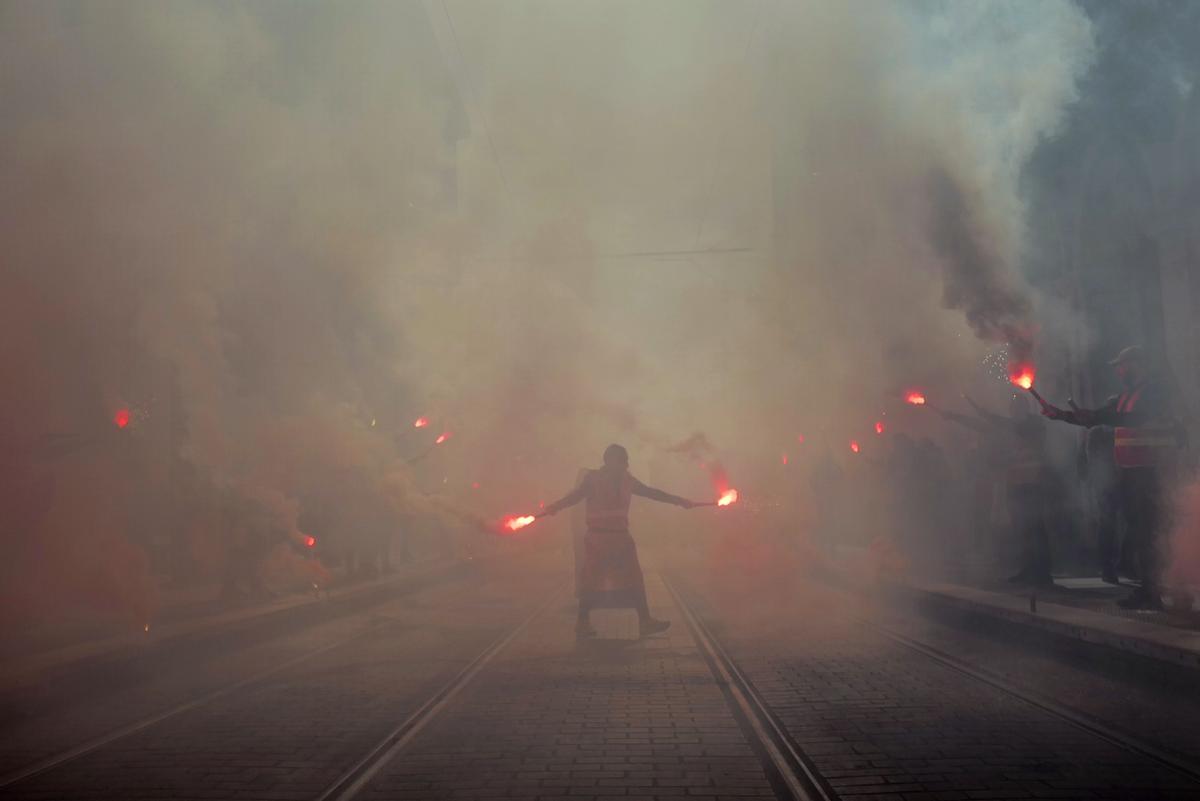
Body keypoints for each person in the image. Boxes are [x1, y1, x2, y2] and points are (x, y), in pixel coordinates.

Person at [1040, 346, 1179, 610]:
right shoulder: (1125, 396)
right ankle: (1150, 587)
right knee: (1140, 531)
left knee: (1150, 530)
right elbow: (1098, 417)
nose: (1118, 370)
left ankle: (1156, 588)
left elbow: (1136, 418)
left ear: (1137, 364)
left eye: (1122, 365)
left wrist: (1095, 416)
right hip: (1131, 470)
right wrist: (1061, 414)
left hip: (1153, 470)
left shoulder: (1155, 390)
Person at [539, 444, 702, 639]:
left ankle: (645, 621)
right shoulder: (592, 479)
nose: (626, 464)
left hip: (621, 537)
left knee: (634, 577)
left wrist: (679, 500)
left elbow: (652, 493)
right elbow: (574, 497)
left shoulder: (627, 480)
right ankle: (583, 622)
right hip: (597, 539)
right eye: (622, 460)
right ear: (609, 460)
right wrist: (555, 507)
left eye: (626, 460)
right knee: (591, 580)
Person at [939, 394, 1054, 587]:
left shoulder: (1034, 426)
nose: (1013, 412)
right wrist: (955, 417)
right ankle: (1027, 570)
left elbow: (1004, 424)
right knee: (1022, 530)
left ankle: (1042, 573)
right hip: (1017, 484)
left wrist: (984, 413)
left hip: (1033, 485)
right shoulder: (1014, 427)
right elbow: (982, 426)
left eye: (1015, 408)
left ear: (1023, 409)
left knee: (1035, 529)